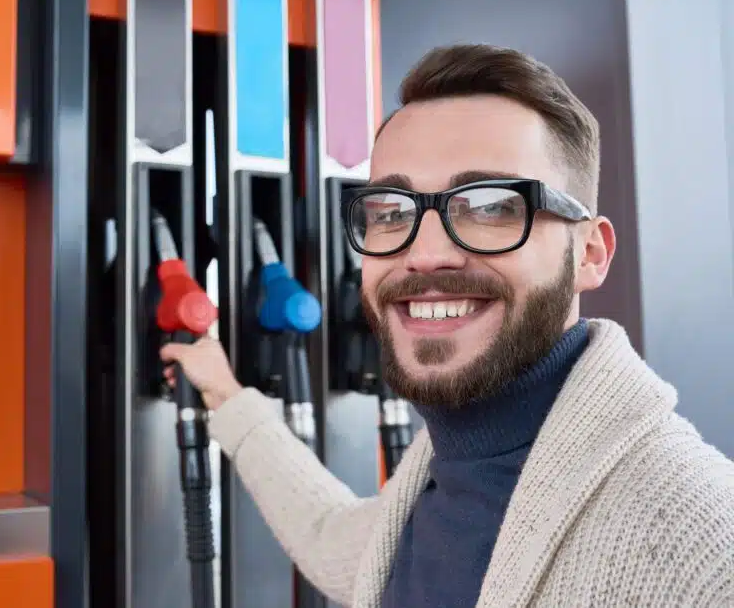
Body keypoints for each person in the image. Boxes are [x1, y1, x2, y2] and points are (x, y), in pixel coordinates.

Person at [160, 44, 734, 608]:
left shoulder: (704, 542)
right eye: (391, 211)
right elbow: (330, 535)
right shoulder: (442, 471)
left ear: (589, 253)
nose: (426, 254)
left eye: (491, 207)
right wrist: (227, 396)